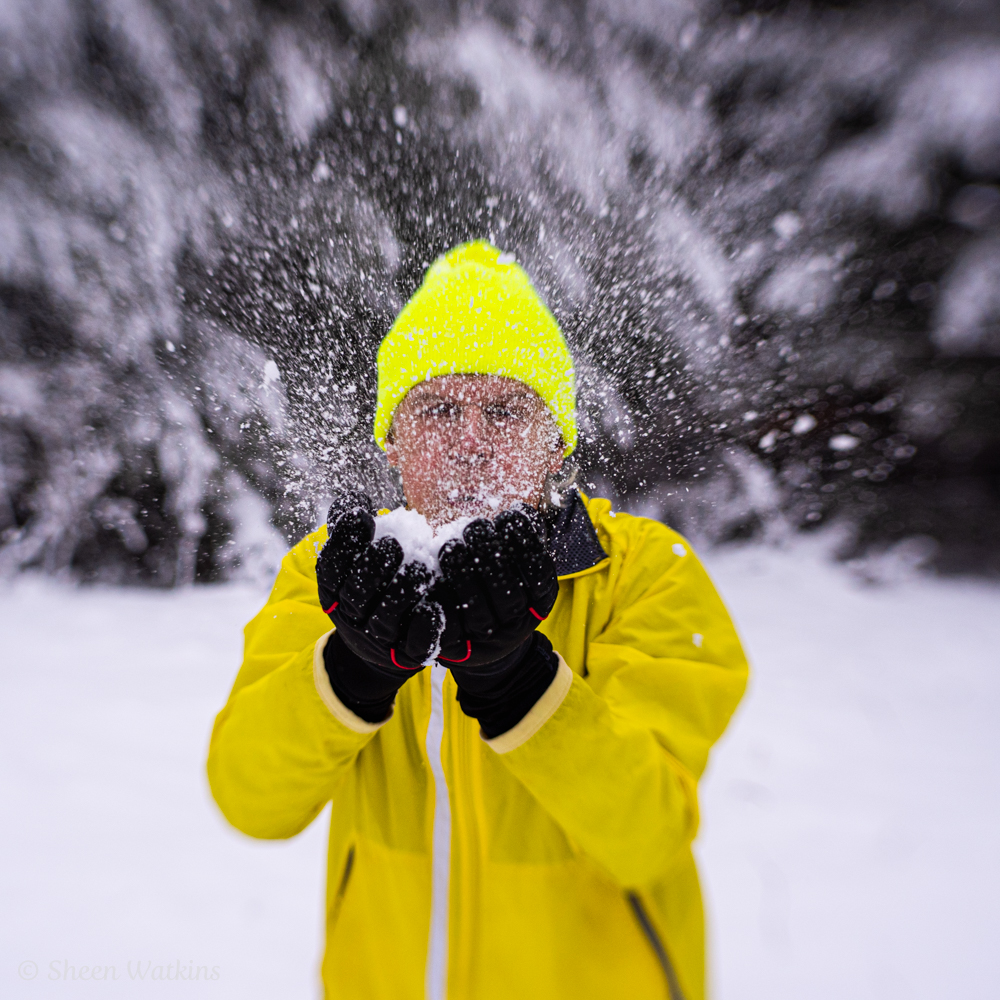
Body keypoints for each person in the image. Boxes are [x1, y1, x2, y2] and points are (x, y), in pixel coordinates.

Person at [207, 241, 749, 1000]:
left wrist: (518, 686)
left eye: (504, 409)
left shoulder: (644, 573)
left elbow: (648, 834)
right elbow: (250, 798)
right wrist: (351, 672)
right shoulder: (333, 575)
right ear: (390, 442)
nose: (470, 439)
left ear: (556, 441)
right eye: (435, 407)